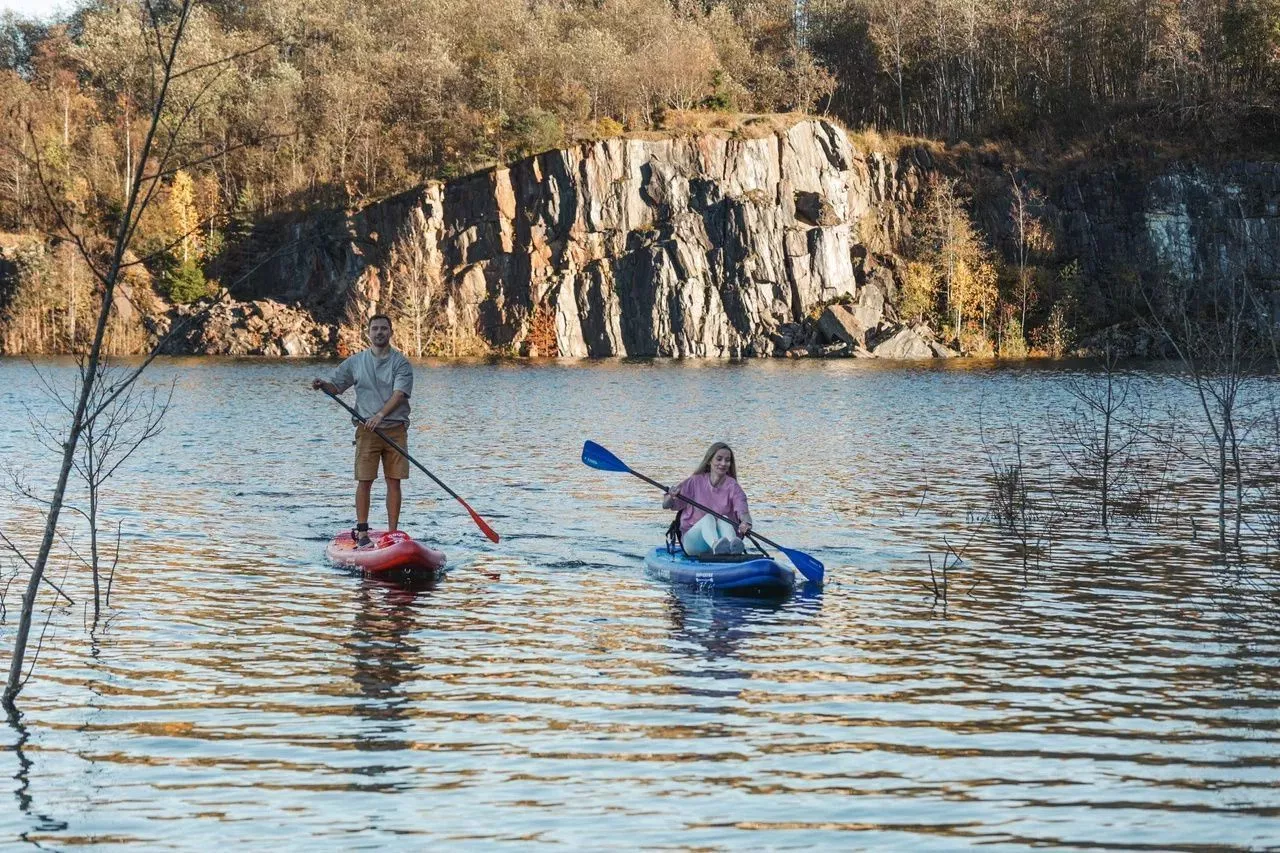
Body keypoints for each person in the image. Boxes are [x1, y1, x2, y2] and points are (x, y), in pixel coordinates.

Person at [312, 314, 413, 547]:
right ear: (368, 333)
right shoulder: (356, 362)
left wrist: (380, 415)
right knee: (364, 480)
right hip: (367, 430)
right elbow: (336, 386)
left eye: (384, 329)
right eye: (375, 329)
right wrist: (323, 385)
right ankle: (363, 532)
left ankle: (393, 533)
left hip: (395, 429)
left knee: (394, 481)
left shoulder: (401, 363)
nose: (379, 332)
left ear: (391, 333)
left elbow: (399, 395)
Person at [663, 442, 753, 556]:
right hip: (694, 543)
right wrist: (671, 496)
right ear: (710, 461)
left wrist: (746, 523)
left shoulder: (733, 486)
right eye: (719, 459)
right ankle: (716, 545)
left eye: (727, 460)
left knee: (724, 519)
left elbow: (743, 510)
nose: (723, 463)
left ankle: (733, 547)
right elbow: (666, 505)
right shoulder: (694, 482)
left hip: (723, 542)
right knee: (708, 518)